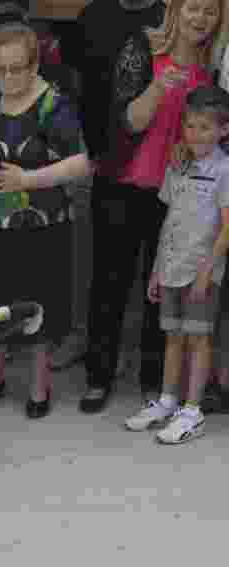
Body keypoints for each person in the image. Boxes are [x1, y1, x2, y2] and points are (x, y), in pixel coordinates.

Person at [77, 0, 222, 414]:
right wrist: (158, 88)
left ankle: (153, 380)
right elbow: (128, 121)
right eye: (193, 8)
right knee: (109, 284)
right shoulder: (142, 48)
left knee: (160, 289)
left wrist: (189, 149)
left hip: (173, 199)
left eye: (210, 12)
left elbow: (204, 140)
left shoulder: (209, 72)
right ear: (176, 10)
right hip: (120, 184)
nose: (200, 18)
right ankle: (98, 377)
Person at [0, 25, 91, 418]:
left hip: (45, 224)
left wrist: (27, 180)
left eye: (17, 69)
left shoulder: (53, 103)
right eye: (0, 70)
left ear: (34, 65)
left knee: (41, 307)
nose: (8, 78)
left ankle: (39, 387)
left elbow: (82, 162)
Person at [124, 85, 229, 442]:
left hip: (201, 273)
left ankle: (193, 410)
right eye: (190, 126)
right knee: (173, 337)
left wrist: (207, 271)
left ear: (223, 130)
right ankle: (168, 400)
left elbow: (226, 228)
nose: (195, 134)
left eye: (205, 127)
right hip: (170, 268)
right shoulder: (178, 165)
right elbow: (170, 220)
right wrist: (156, 269)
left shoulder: (224, 169)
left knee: (199, 339)